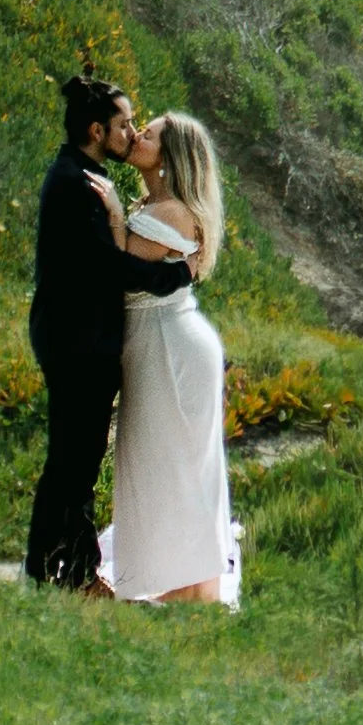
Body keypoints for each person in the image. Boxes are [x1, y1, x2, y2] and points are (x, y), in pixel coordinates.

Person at [23, 76, 194, 590]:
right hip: (76, 344)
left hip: (77, 340)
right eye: (123, 125)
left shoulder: (81, 173)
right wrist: (178, 275)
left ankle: (67, 569)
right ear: (97, 130)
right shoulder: (79, 184)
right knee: (70, 462)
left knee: (77, 459)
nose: (132, 131)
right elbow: (111, 269)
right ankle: (56, 571)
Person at [98, 111, 240, 609]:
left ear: (171, 154)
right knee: (157, 463)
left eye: (149, 133)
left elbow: (120, 270)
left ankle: (186, 586)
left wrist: (114, 215)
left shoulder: (173, 213)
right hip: (155, 340)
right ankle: (175, 580)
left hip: (170, 344)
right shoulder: (157, 204)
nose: (137, 136)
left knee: (171, 465)